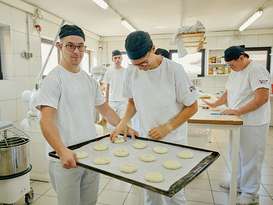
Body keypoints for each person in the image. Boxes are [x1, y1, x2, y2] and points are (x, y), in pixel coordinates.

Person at [35, 24, 136, 205]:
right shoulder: (53, 79)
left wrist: (123, 126)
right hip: (65, 158)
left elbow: (104, 109)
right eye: (70, 45)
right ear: (59, 47)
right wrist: (61, 150)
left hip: (91, 155)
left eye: (80, 46)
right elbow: (46, 120)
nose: (76, 51)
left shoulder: (88, 80)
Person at [111, 31, 198, 205]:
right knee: (150, 189)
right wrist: (122, 123)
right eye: (136, 64)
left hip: (173, 139)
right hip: (146, 139)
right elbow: (132, 102)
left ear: (153, 49)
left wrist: (167, 127)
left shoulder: (174, 70)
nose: (141, 67)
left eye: (144, 62)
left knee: (174, 191)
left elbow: (192, 106)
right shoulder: (131, 72)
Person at [203, 46, 270, 205]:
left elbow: (262, 98)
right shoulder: (235, 71)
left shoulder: (257, 70)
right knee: (237, 154)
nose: (230, 67)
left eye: (232, 64)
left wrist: (238, 110)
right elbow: (228, 92)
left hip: (253, 122)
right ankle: (238, 183)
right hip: (238, 120)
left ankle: (251, 193)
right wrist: (214, 104)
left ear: (242, 57)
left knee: (251, 158)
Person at [103, 50, 127, 130]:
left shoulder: (126, 72)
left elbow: (128, 87)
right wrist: (106, 102)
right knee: (111, 125)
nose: (117, 60)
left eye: (119, 58)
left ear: (122, 59)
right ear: (112, 59)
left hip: (123, 101)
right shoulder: (109, 72)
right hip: (112, 101)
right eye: (115, 58)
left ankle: (123, 141)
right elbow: (107, 87)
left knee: (122, 124)